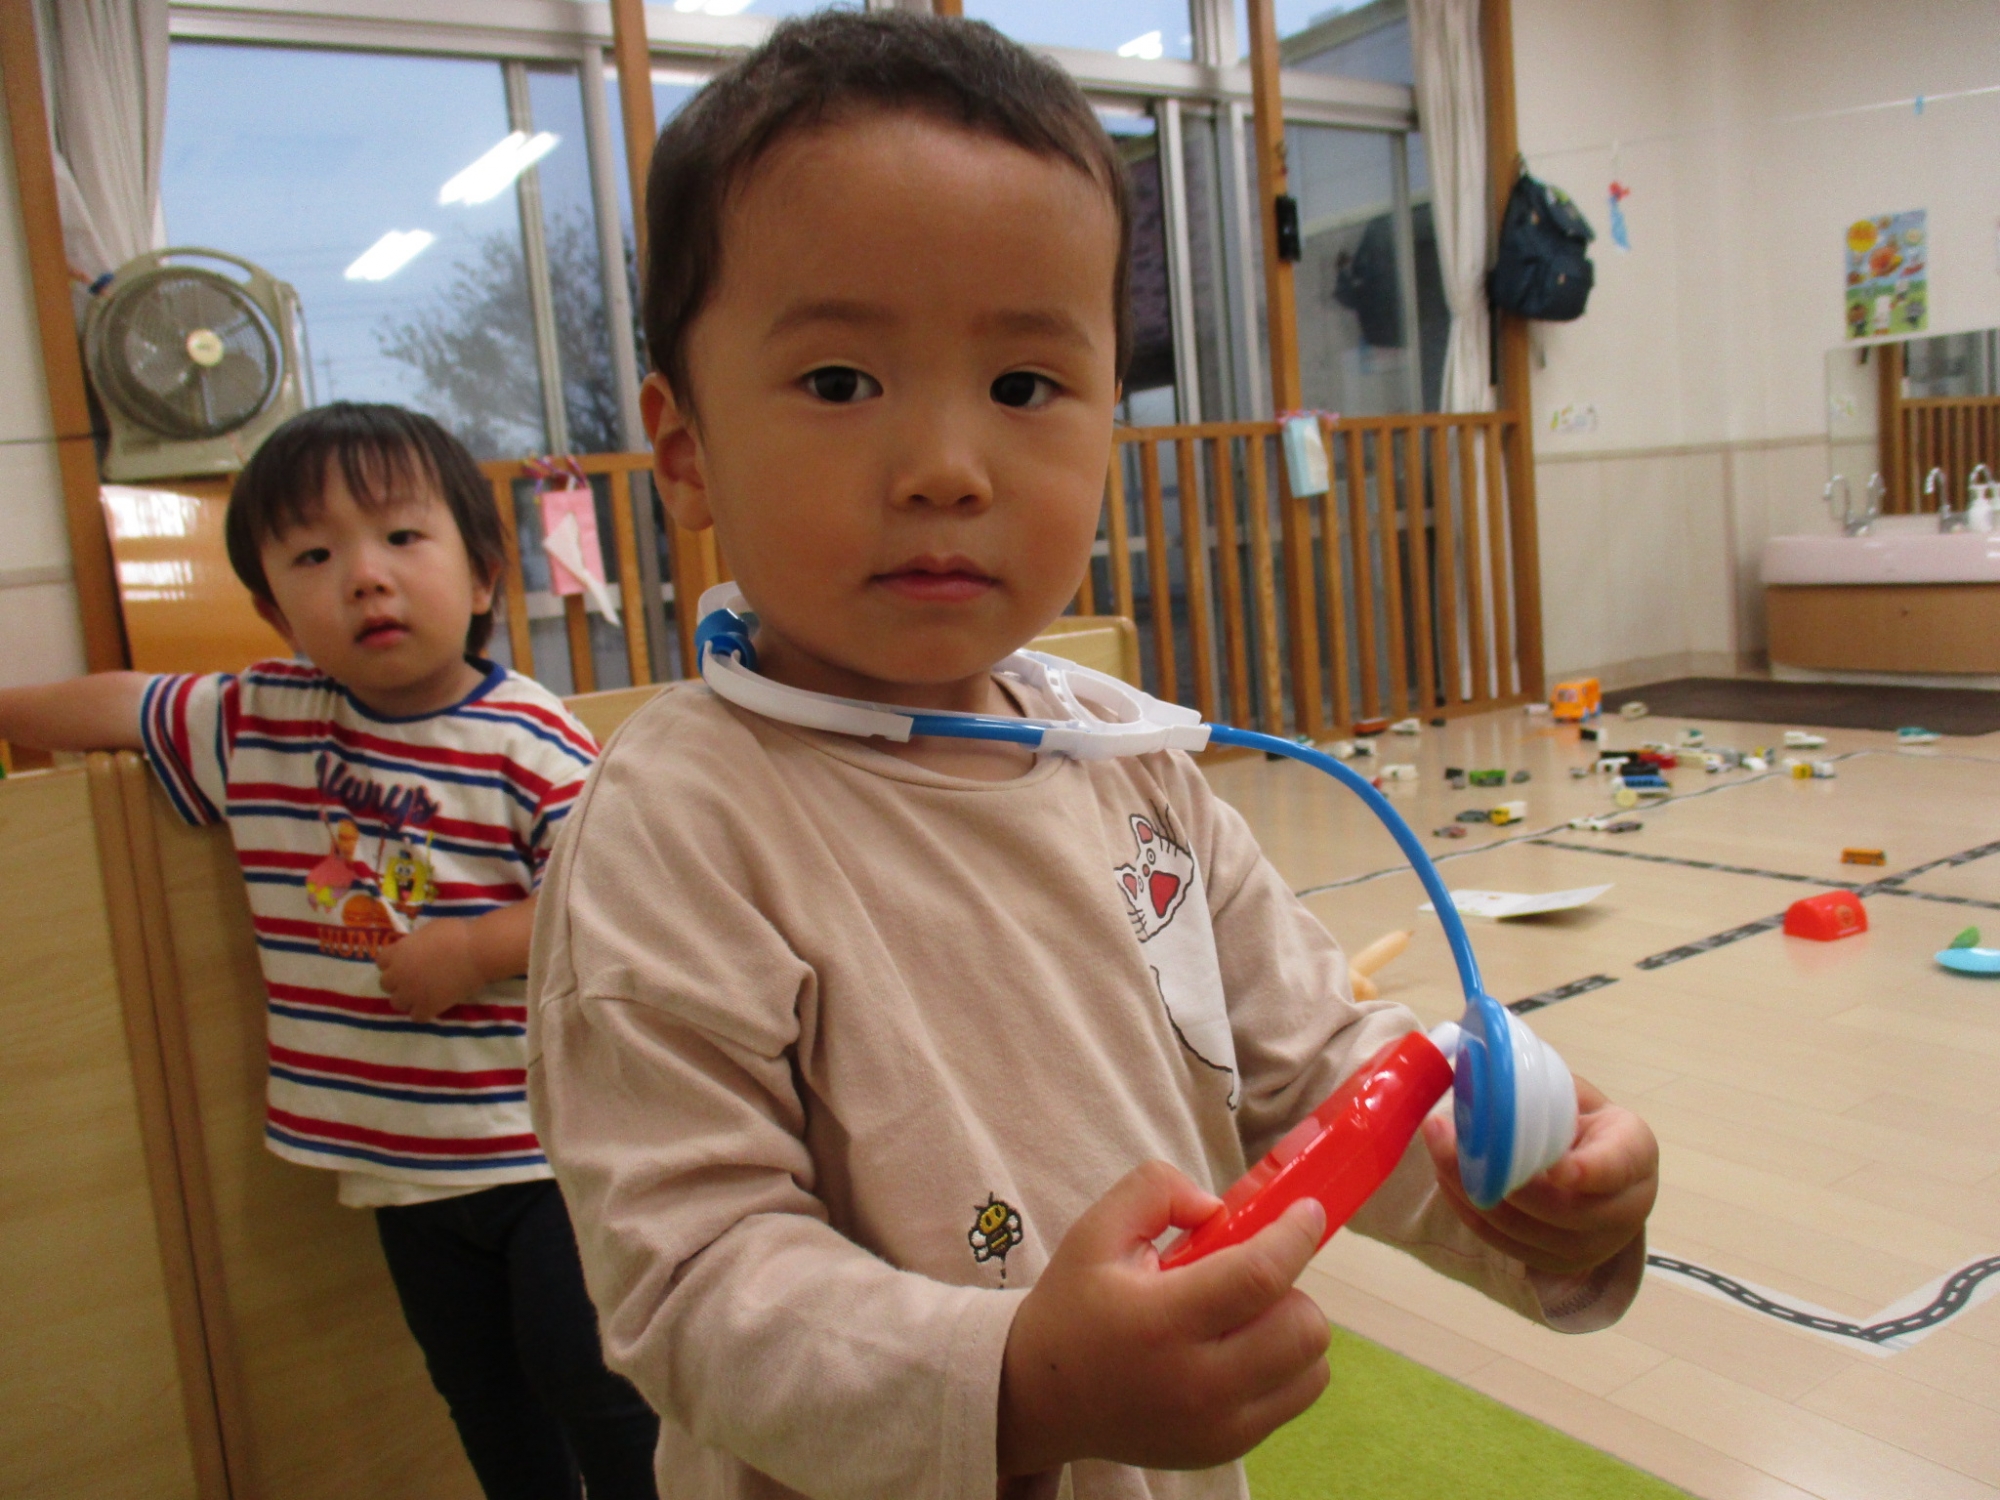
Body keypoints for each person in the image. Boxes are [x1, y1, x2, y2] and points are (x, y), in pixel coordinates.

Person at [527, 14, 1659, 1500]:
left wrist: (1522, 1189)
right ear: (684, 450)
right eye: (841, 382)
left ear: (1106, 430)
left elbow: (1321, 1068)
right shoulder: (674, 823)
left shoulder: (1127, 765)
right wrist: (1021, 1384)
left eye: (1023, 388)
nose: (947, 467)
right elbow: (691, 1282)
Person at [0, 403, 658, 1500]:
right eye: (314, 555)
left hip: (547, 1151)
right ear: (272, 609)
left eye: (401, 537)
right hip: (396, 1167)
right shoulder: (259, 720)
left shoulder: (528, 735)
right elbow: (120, 705)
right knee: (482, 1397)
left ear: (482, 575)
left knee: (594, 1390)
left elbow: (621, 897)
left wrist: (477, 947)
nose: (365, 577)